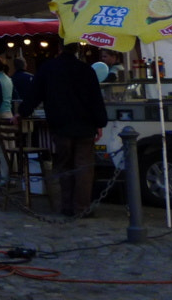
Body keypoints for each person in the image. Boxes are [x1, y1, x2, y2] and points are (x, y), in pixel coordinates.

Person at [20, 42, 109, 219]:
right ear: (77, 50)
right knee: (83, 167)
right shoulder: (86, 70)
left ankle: (66, 205)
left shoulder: (48, 69)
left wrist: (22, 112)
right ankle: (82, 207)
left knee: (64, 165)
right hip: (84, 125)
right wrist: (100, 122)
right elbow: (95, 99)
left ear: (59, 49)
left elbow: (34, 94)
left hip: (60, 124)